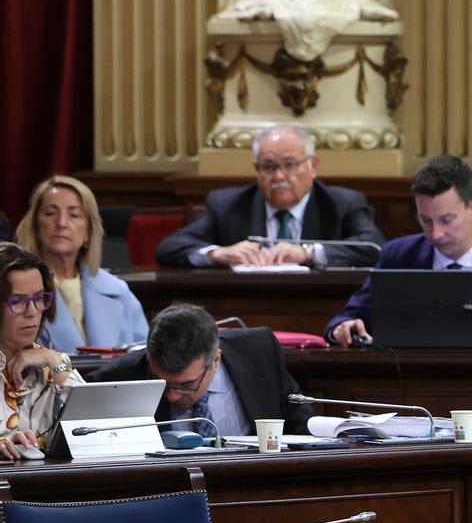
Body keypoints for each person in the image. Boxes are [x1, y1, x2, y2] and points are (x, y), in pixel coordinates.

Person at [325, 154, 472, 346]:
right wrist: (344, 327)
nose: (436, 233)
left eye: (447, 220)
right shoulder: (398, 255)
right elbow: (346, 316)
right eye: (425, 220)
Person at [156, 124, 385, 268]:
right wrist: (217, 253)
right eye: (268, 166)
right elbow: (170, 247)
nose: (278, 176)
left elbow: (376, 247)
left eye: (290, 164)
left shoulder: (341, 203)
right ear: (257, 170)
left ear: (313, 166)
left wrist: (307, 253)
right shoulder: (228, 205)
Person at [90, 303, 314, 436]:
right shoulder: (120, 377)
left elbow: (299, 422)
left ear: (215, 359)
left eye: (186, 385)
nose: (172, 396)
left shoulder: (258, 352)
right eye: (162, 382)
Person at [17, 175, 148, 351]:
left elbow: (145, 354)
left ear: (88, 231)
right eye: (50, 213)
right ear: (35, 226)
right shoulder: (15, 288)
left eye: (74, 215)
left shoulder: (118, 290)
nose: (61, 223)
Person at [0, 245, 85, 460]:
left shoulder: (55, 364)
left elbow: (97, 430)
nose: (32, 312)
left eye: (39, 298)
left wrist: (53, 360)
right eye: (17, 301)